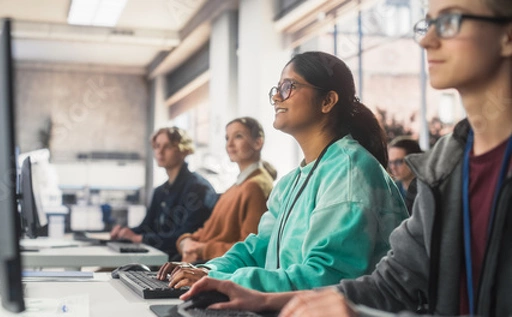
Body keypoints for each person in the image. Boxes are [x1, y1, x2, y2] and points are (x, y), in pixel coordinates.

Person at [181, 0, 512, 315]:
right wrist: (245, 289)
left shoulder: (352, 170)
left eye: (451, 21)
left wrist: (239, 284)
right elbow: (391, 285)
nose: (426, 39)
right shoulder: (445, 167)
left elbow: (329, 276)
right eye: (427, 23)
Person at [159, 51, 408, 291]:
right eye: (277, 89)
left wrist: (222, 280)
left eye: (289, 86)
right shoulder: (292, 182)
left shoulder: (349, 171)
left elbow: (327, 279)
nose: (277, 97)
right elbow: (258, 249)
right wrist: (208, 270)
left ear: (328, 101)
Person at [171, 117, 276, 264]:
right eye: (227, 138)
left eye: (238, 136)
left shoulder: (255, 186)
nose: (230, 144)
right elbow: (207, 231)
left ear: (258, 143)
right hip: (204, 261)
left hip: (218, 269)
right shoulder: (235, 187)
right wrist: (186, 241)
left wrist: (200, 250)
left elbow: (251, 249)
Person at [109, 127, 217, 259]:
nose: (160, 151)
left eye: (168, 146)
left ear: (183, 151)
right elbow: (146, 227)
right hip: (153, 257)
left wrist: (139, 238)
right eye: (157, 146)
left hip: (178, 262)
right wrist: (124, 231)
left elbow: (187, 235)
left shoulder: (199, 189)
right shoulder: (160, 191)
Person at [388, 136, 422, 212]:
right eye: (390, 162)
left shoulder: (426, 189)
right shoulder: (392, 189)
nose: (393, 167)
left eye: (398, 162)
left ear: (413, 160)